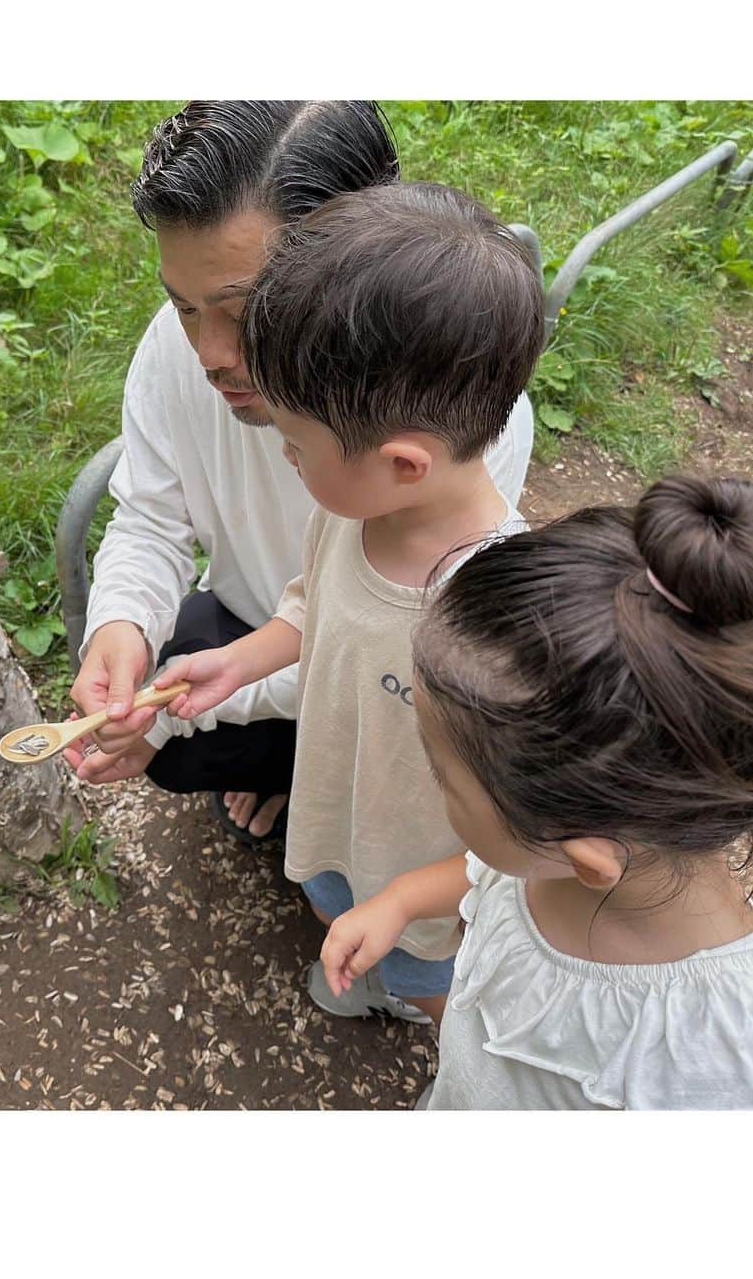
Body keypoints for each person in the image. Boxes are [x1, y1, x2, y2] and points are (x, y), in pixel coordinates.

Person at [65, 101, 536, 845]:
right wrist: (120, 626)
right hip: (271, 629)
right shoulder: (177, 348)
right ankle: (300, 779)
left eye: (246, 309)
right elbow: (149, 517)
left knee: (396, 765)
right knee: (178, 738)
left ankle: (320, 795)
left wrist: (196, 706)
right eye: (183, 305)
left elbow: (389, 656)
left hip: (383, 673)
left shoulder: (457, 430)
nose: (209, 355)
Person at [154, 180, 545, 1024]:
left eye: (295, 445)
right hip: (335, 805)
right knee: (335, 899)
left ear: (403, 462)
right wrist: (239, 658)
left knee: (428, 982)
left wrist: (406, 899)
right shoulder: (353, 515)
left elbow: (523, 840)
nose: (286, 460)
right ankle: (367, 954)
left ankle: (429, 1027)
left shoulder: (498, 620)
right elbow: (311, 608)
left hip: (434, 882)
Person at [321, 473, 753, 1108]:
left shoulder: (710, 1059)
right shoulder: (566, 850)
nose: (431, 779)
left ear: (583, 857)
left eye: (444, 777)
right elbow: (491, 877)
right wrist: (403, 900)